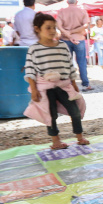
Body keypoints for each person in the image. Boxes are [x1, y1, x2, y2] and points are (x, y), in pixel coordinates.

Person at [24, 13, 89, 150]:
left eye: (54, 27)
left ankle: (80, 137)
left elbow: (70, 65)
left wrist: (74, 84)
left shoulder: (63, 46)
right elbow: (30, 70)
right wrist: (34, 90)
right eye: (48, 28)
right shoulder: (34, 49)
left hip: (64, 85)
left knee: (75, 111)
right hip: (45, 88)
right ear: (37, 29)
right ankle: (56, 141)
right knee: (50, 114)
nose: (52, 31)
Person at [55, 0, 92, 91]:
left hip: (65, 39)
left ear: (67, 2)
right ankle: (85, 83)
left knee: (67, 63)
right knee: (82, 62)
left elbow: (59, 26)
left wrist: (68, 33)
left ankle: (69, 84)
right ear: (76, 1)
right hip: (79, 38)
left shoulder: (62, 12)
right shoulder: (82, 11)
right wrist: (73, 32)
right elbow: (85, 25)